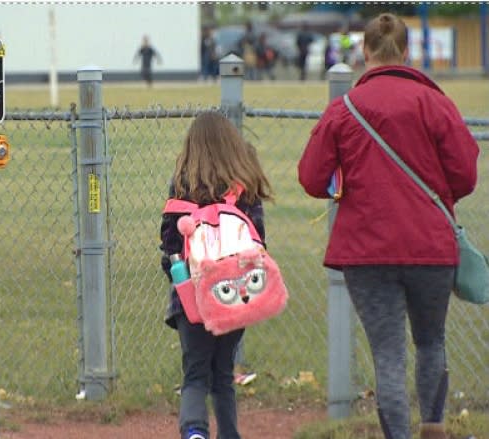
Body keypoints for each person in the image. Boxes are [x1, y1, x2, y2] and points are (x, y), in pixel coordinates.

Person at [297, 13, 479, 439]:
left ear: (364, 51)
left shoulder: (343, 111)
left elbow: (310, 177)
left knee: (388, 354)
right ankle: (433, 429)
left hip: (367, 250)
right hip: (431, 246)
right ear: (407, 51)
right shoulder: (435, 103)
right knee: (431, 342)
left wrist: (344, 182)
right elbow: (465, 176)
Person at [160, 111, 273, 439]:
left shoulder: (182, 184)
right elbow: (259, 240)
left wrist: (181, 281)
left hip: (192, 299)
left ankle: (194, 432)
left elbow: (169, 243)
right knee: (223, 376)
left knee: (195, 374)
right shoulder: (244, 188)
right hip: (235, 296)